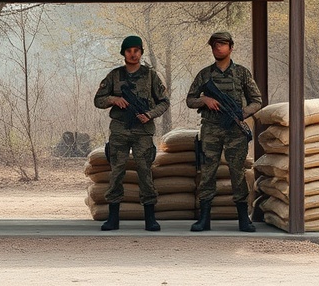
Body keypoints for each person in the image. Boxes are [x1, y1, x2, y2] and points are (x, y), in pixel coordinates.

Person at [186, 31, 262, 232]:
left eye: (222, 44)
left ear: (231, 47)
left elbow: (257, 101)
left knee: (237, 173)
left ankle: (243, 219)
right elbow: (190, 100)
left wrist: (241, 113)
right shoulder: (204, 74)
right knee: (207, 172)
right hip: (211, 129)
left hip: (235, 130)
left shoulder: (242, 73)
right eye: (214, 45)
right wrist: (205, 100)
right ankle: (204, 219)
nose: (217, 48)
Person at [94, 35, 170, 231]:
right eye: (129, 51)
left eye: (136, 50)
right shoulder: (114, 76)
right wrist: (113, 99)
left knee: (145, 172)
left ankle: (150, 218)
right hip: (119, 130)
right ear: (123, 53)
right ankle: (113, 218)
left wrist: (149, 114)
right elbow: (98, 100)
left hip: (143, 131)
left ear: (141, 52)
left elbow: (164, 102)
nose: (133, 54)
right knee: (117, 172)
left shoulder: (151, 76)